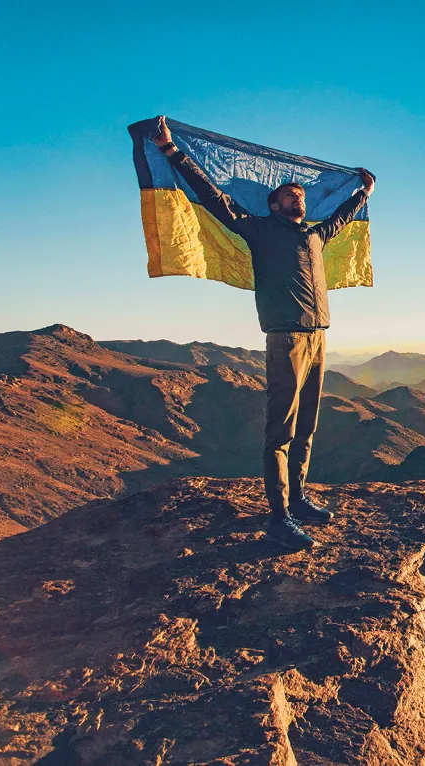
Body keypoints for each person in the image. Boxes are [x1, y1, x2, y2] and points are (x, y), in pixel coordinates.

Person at [152, 115, 374, 550]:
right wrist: (171, 150)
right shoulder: (257, 229)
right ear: (274, 205)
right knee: (281, 429)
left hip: (318, 336)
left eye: (301, 195)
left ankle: (299, 498)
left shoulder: (315, 235)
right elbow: (212, 196)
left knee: (307, 424)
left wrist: (363, 193)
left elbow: (342, 217)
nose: (298, 198)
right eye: (290, 195)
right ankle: (279, 516)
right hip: (286, 339)